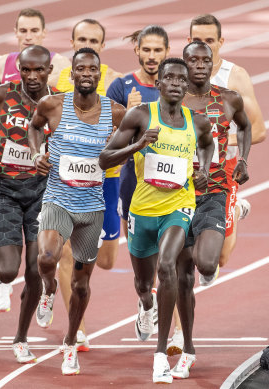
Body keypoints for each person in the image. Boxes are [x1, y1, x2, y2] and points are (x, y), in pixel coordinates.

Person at [99, 58, 214, 384]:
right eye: (170, 78)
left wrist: (203, 169)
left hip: (179, 206)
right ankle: (146, 303)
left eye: (182, 78)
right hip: (141, 212)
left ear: (187, 84)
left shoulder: (198, 122)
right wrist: (137, 145)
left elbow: (207, 144)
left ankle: (161, 354)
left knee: (169, 267)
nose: (176, 83)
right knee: (144, 283)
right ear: (159, 84)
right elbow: (104, 158)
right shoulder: (140, 115)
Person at [28, 47, 126, 375]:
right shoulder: (53, 105)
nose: (86, 73)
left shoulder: (115, 112)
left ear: (100, 75)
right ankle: (49, 287)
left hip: (93, 208)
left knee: (83, 284)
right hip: (57, 199)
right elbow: (34, 126)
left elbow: (136, 137)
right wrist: (38, 151)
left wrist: (128, 151)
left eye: (92, 69)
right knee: (46, 258)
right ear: (71, 74)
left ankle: (70, 342)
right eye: (80, 69)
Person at [169, 41, 251, 380]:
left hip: (215, 191)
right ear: (184, 64)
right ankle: (187, 348)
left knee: (207, 262)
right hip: (177, 194)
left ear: (213, 63)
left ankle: (235, 210)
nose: (200, 65)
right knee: (181, 275)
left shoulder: (228, 98)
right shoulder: (170, 102)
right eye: (193, 60)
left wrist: (243, 159)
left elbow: (245, 126)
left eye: (206, 60)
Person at [0, 45, 58, 363]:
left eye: (39, 70)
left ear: (50, 70)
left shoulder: (59, 102)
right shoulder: (0, 95)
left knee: (35, 269)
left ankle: (20, 338)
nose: (32, 76)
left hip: (43, 193)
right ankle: (11, 283)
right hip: (6, 190)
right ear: (18, 69)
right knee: (7, 271)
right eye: (26, 70)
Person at [106, 25, 184, 357]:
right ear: (137, 51)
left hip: (175, 188)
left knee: (172, 262)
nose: (152, 57)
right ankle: (145, 301)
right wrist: (126, 111)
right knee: (146, 264)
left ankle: (176, 332)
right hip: (134, 186)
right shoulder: (121, 87)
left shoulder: (179, 87)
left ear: (167, 52)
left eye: (158, 50)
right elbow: (107, 140)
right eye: (146, 50)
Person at [52, 18, 124, 351]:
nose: (89, 44)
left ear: (103, 46)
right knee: (66, 255)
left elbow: (129, 125)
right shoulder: (56, 79)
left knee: (106, 260)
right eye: (82, 38)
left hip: (103, 181)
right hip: (64, 180)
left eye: (95, 40)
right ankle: (76, 328)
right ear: (71, 41)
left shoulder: (113, 82)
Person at [188, 14, 267, 271]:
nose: (204, 46)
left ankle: (235, 209)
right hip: (186, 166)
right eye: (198, 40)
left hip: (224, 166)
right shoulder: (177, 74)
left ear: (221, 41)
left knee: (220, 258)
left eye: (210, 40)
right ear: (188, 41)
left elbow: (258, 131)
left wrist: (221, 138)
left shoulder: (235, 77)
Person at [0, 8, 70, 86]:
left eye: (34, 31)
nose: (28, 37)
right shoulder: (0, 64)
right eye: (23, 31)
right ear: (16, 33)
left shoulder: (60, 64)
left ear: (44, 33)